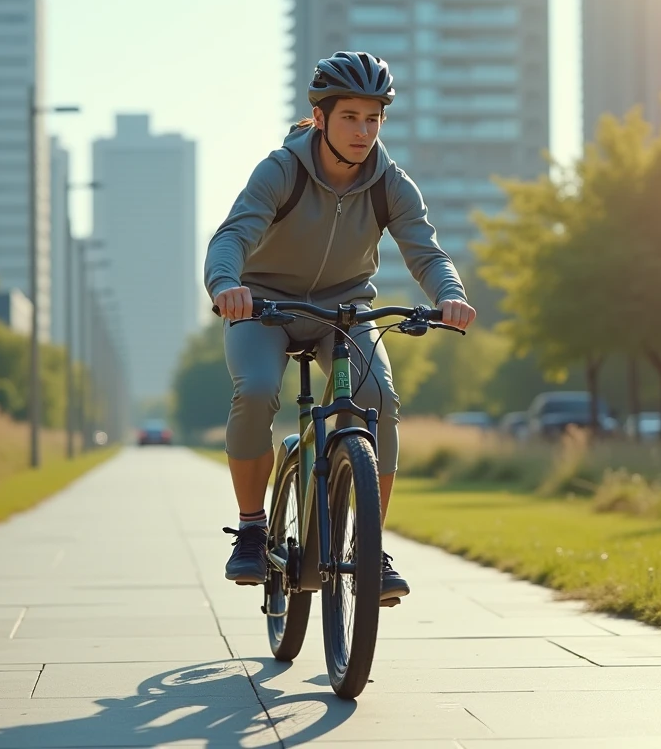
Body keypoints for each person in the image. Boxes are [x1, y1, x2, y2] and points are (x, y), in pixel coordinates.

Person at [203, 50, 476, 603]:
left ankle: (369, 547)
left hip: (345, 309)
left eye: (373, 118)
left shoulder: (389, 183)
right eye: (350, 117)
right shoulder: (281, 170)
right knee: (256, 390)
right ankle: (252, 529)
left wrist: (450, 294)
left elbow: (427, 252)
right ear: (320, 117)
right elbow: (233, 235)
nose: (363, 131)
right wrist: (226, 283)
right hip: (264, 305)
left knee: (379, 398)